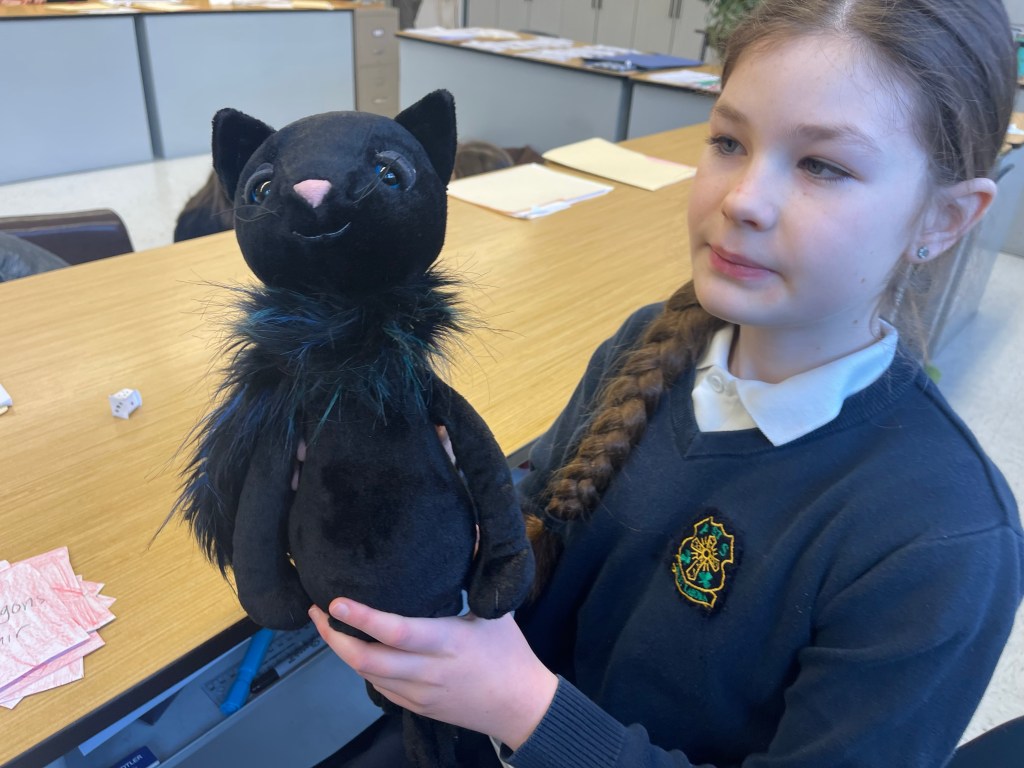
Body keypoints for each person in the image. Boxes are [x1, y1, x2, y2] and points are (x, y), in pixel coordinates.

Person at [308, 0, 1024, 765]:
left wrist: (525, 709)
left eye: (823, 165)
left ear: (945, 218)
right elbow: (537, 531)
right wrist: (434, 509)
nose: (741, 200)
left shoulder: (940, 538)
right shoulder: (650, 342)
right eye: (728, 142)